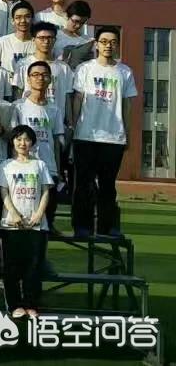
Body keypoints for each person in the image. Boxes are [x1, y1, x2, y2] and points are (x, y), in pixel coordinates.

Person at [71, 27, 137, 237]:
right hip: (86, 136)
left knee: (108, 185)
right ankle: (82, 226)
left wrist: (127, 134)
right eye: (104, 41)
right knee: (84, 184)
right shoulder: (84, 69)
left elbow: (127, 106)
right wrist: (74, 127)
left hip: (113, 137)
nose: (108, 45)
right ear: (97, 44)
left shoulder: (125, 72)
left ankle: (107, 227)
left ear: (117, 45)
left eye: (113, 42)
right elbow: (78, 100)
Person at [0, 125, 52, 319]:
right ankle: (15, 305)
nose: (23, 143)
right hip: (11, 225)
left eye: (27, 139)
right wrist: (13, 214)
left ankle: (31, 304)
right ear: (12, 142)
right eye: (19, 139)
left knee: (34, 267)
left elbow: (45, 191)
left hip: (37, 225)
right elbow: (4, 192)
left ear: (32, 143)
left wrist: (39, 214)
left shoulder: (40, 165)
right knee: (12, 267)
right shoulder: (6, 166)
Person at [12, 61, 65, 230]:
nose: (40, 78)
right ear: (28, 79)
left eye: (44, 75)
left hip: (49, 167)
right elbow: (13, 139)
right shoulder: (18, 106)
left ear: (50, 80)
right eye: (35, 75)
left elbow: (56, 142)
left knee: (46, 217)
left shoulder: (54, 109)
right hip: (24, 167)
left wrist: (58, 169)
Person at [13, 22, 74, 118]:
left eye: (50, 38)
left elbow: (68, 98)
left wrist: (70, 122)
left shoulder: (64, 68)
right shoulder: (23, 64)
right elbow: (18, 94)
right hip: (28, 118)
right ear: (33, 39)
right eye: (42, 38)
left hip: (55, 119)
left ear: (55, 40)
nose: (46, 41)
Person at [0, 0, 36, 88]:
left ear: (32, 19)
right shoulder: (3, 41)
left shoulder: (38, 42)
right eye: (18, 17)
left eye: (27, 17)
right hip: (7, 88)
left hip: (32, 89)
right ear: (12, 21)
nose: (23, 21)